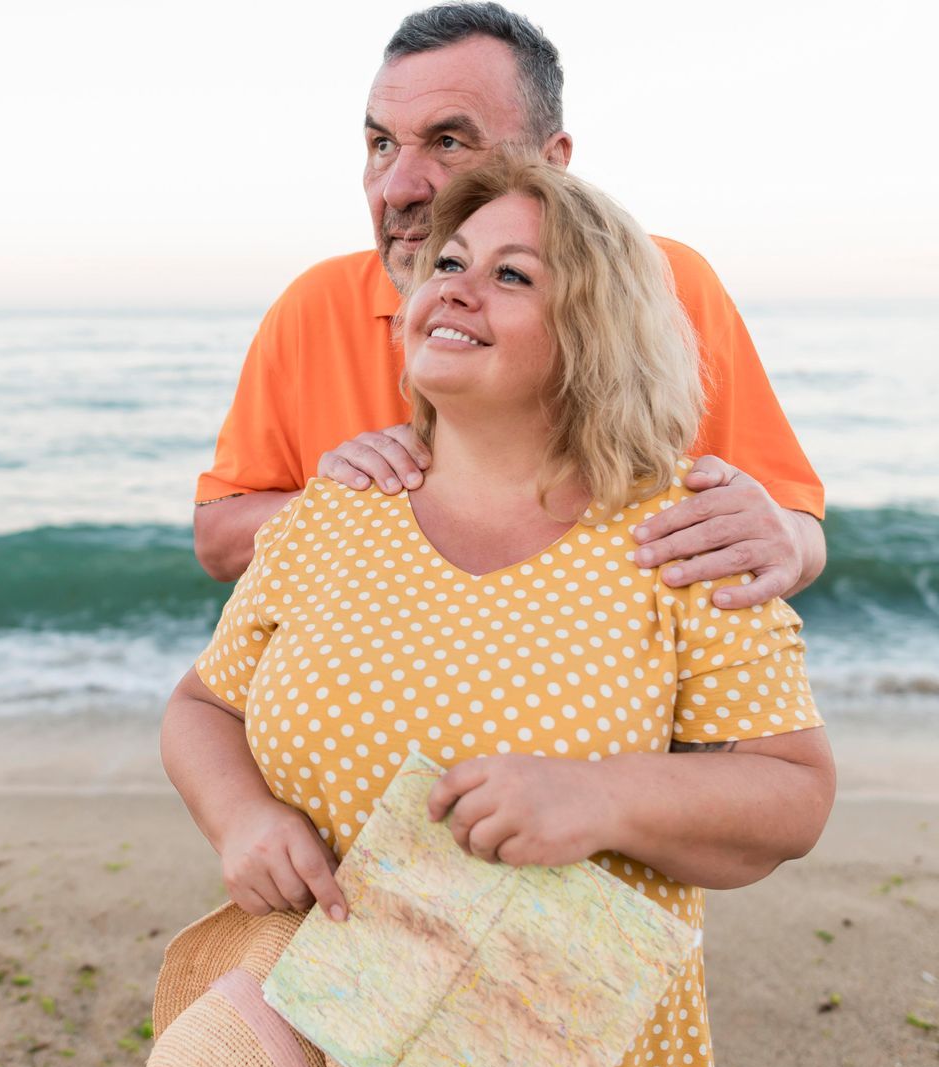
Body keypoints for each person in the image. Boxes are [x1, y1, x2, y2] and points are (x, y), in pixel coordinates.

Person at [147, 157, 835, 1067]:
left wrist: (602, 799)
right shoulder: (331, 512)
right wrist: (241, 820)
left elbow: (793, 792)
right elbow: (203, 707)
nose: (455, 291)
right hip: (323, 1008)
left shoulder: (685, 531)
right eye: (447, 265)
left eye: (511, 274)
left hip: (557, 1039)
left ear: (595, 332)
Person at [192, 3, 825, 619]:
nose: (398, 188)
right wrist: (340, 501)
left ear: (553, 162)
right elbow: (219, 541)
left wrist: (782, 542)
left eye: (448, 141)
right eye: (381, 143)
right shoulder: (314, 304)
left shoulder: (664, 285)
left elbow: (792, 528)